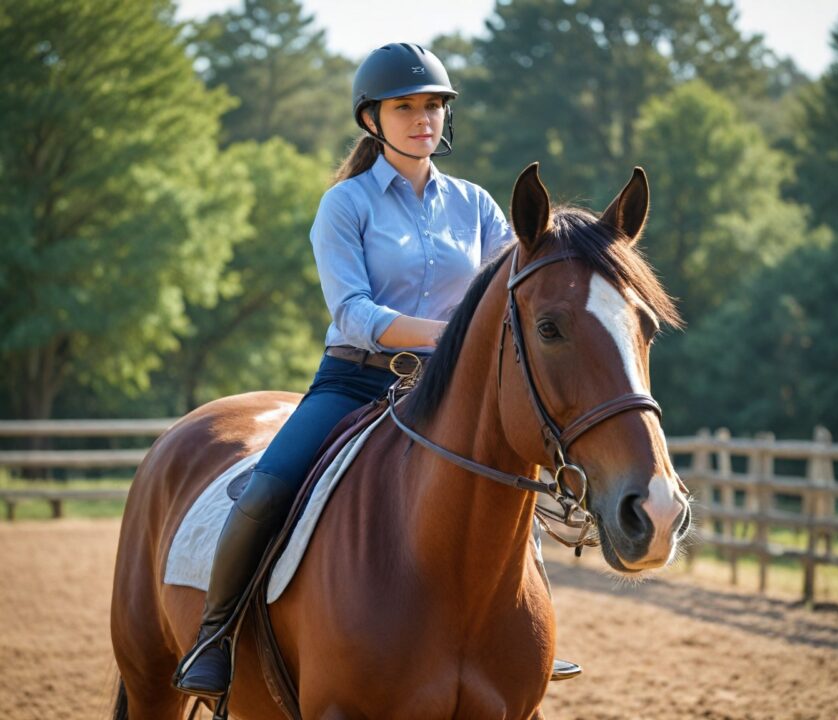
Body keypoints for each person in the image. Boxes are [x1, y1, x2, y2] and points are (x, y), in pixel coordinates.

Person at [173, 42, 580, 700]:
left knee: (509, 491)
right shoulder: (345, 205)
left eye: (434, 106)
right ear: (372, 119)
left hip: (449, 393)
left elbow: (513, 292)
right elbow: (354, 313)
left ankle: (521, 633)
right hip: (355, 380)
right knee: (268, 489)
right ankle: (215, 636)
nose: (424, 120)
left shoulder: (475, 205)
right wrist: (453, 335)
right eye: (405, 108)